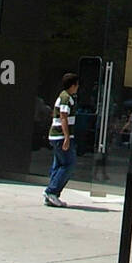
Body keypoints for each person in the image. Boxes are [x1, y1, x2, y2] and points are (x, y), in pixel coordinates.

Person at [45, 72, 78, 207]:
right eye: (76, 84)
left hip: (56, 136)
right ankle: (52, 191)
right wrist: (66, 137)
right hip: (60, 136)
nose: (77, 87)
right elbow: (63, 117)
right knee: (68, 164)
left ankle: (52, 194)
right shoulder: (66, 98)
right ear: (72, 85)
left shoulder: (64, 97)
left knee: (58, 164)